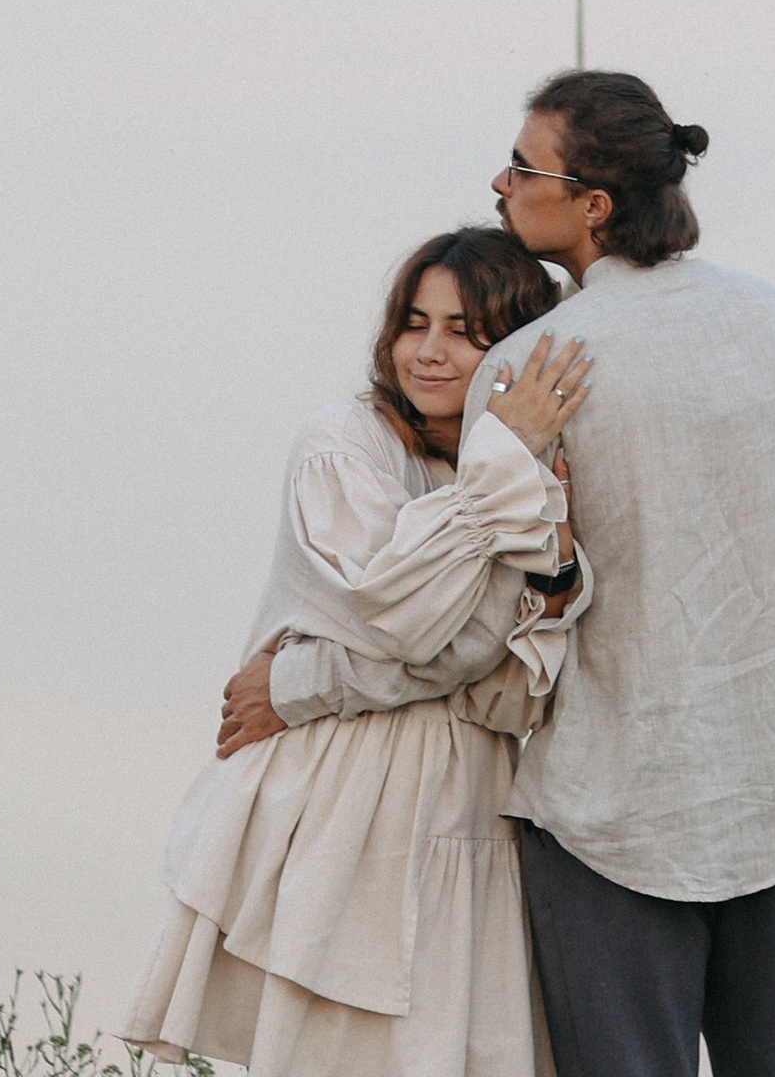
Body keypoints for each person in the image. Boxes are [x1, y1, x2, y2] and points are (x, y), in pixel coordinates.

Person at [119, 225, 595, 1077]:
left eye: (466, 331)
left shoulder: (528, 470)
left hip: (473, 804)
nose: (432, 352)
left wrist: (299, 682)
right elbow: (413, 626)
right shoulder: (342, 442)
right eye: (415, 323)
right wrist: (509, 475)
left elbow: (511, 691)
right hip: (346, 800)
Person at [477, 70, 775, 1077]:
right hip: (767, 776)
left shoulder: (530, 366)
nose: (499, 183)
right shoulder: (771, 319)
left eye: (521, 165)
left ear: (592, 204)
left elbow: (482, 620)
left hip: (612, 802)